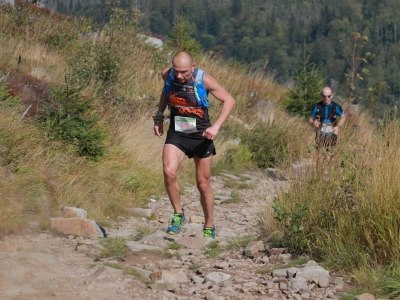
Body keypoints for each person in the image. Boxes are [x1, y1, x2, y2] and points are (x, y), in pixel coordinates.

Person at [153, 51, 235, 239]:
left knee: (202, 183)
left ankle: (209, 225)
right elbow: (166, 93)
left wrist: (216, 126)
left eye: (184, 72)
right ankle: (178, 214)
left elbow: (229, 100)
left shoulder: (204, 79)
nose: (180, 76)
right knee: (168, 171)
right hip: (177, 132)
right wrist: (159, 117)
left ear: (193, 67)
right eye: (177, 71)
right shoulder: (168, 75)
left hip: (201, 135)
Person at [308, 86, 346, 152]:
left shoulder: (335, 106)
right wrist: (313, 123)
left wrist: (338, 126)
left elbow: (343, 117)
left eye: (328, 96)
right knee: (319, 154)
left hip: (332, 132)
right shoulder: (317, 106)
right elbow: (310, 120)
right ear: (321, 96)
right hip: (320, 133)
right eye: (324, 96)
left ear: (332, 96)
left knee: (329, 153)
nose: (326, 98)